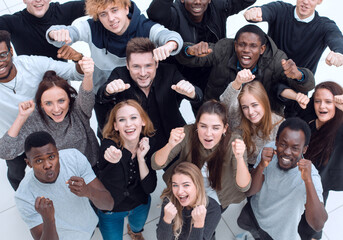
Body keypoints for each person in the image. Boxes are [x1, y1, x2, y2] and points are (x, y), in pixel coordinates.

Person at [0, 30, 84, 190]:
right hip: (12, 137)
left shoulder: (32, 64)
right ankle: (24, 197)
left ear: (11, 51)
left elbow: (76, 74)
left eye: (2, 55)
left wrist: (78, 59)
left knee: (54, 167)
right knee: (16, 173)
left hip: (47, 130)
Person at [46, 0, 183, 93]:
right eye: (103, 14)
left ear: (126, 8)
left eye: (114, 10)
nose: (111, 19)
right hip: (103, 94)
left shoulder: (144, 27)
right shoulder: (92, 27)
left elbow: (170, 36)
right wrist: (55, 33)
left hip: (138, 94)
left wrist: (169, 46)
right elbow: (69, 33)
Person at [176, 24, 315, 116]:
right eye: (242, 45)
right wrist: (189, 50)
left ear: (262, 49)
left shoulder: (276, 59)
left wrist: (299, 75)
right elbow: (194, 57)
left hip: (258, 120)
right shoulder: (224, 48)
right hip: (221, 114)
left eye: (253, 46)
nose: (246, 50)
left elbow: (309, 84)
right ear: (235, 45)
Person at [97, 37, 203, 153]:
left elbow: (198, 97)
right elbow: (101, 98)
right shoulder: (120, 74)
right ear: (127, 65)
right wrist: (107, 91)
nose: (143, 73)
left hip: (173, 142)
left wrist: (192, 93)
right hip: (138, 148)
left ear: (156, 63)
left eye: (148, 66)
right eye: (136, 66)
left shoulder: (169, 72)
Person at [147, 0, 256, 102]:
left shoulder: (218, 7)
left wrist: (260, 12)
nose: (198, 2)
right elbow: (155, 13)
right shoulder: (174, 13)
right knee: (168, 116)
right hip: (177, 75)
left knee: (210, 114)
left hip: (208, 74)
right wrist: (189, 51)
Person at [152, 100, 251, 211]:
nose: (208, 133)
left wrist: (240, 158)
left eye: (216, 128)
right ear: (197, 125)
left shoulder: (234, 141)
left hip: (218, 195)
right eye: (203, 126)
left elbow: (244, 186)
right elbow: (156, 165)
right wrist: (170, 145)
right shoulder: (188, 132)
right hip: (187, 189)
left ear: (225, 128)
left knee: (205, 224)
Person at [238, 117, 327, 240]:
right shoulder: (268, 152)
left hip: (279, 234)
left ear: (304, 149)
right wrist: (261, 166)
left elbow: (318, 225)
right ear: (276, 141)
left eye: (295, 148)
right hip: (254, 215)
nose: (287, 152)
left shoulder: (311, 176)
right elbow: (249, 191)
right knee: (252, 233)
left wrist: (308, 181)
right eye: (283, 144)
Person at [15, 131, 114, 240]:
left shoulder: (73, 158)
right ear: (29, 164)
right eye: (39, 160)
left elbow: (109, 205)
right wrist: (48, 219)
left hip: (90, 230)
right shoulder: (24, 196)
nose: (47, 165)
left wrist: (88, 191)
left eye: (51, 157)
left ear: (58, 153)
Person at [97, 99, 157, 240]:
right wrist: (111, 160)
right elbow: (107, 156)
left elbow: (149, 188)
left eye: (133, 118)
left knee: (137, 227)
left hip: (139, 204)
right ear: (116, 126)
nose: (129, 124)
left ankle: (135, 232)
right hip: (111, 209)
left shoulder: (148, 143)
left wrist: (141, 158)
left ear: (143, 121)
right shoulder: (108, 145)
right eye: (122, 120)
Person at [243, 0, 343, 74]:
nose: (305, 2)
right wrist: (253, 13)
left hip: (299, 88)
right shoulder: (280, 9)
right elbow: (263, 11)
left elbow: (337, 39)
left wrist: (339, 53)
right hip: (266, 78)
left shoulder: (324, 26)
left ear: (319, 1)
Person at [297, 81, 343, 240]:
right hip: (297, 178)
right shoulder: (308, 119)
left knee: (310, 224)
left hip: (320, 182)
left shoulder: (340, 128)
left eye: (328, 102)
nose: (322, 106)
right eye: (318, 101)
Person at [220, 80, 284, 167]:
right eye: (245, 107)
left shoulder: (279, 124)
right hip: (238, 166)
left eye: (254, 105)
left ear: (264, 102)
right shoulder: (237, 118)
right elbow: (225, 102)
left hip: (266, 170)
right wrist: (237, 83)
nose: (250, 112)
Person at [0, 0, 85, 60]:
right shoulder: (12, 22)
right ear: (24, 0)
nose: (38, 0)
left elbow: (95, 4)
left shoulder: (63, 11)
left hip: (61, 80)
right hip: (30, 81)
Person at [157, 162, 221, 240]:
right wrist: (167, 219)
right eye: (175, 185)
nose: (179, 191)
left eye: (186, 185)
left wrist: (199, 223)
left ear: (197, 185)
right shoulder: (169, 201)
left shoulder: (213, 208)